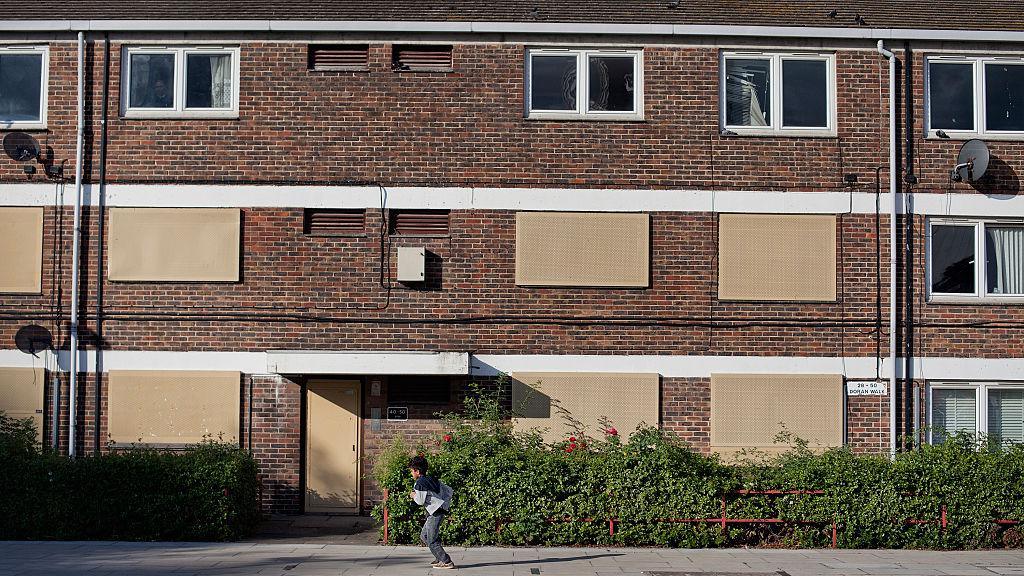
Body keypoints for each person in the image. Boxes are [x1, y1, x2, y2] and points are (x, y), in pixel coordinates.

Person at [408, 455, 455, 569]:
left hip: (435, 513)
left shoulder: (419, 483)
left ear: (417, 471)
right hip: (436, 511)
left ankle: (446, 561)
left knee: (431, 539)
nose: (411, 474)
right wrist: (444, 502)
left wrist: (413, 495)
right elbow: (449, 490)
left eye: (411, 471)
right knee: (424, 535)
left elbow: (420, 501)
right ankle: (439, 556)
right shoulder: (431, 479)